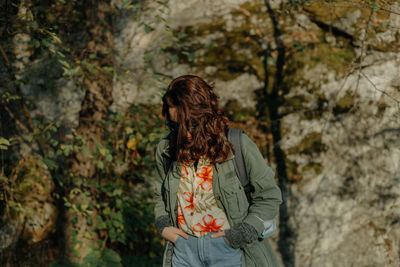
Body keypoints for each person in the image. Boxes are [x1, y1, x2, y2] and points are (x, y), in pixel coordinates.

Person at [153, 74, 283, 267]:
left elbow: (269, 196)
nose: (185, 134)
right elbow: (159, 194)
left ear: (206, 116)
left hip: (228, 249)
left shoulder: (237, 145)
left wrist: (241, 233)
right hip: (183, 250)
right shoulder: (165, 150)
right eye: (175, 126)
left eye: (192, 125)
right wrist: (163, 225)